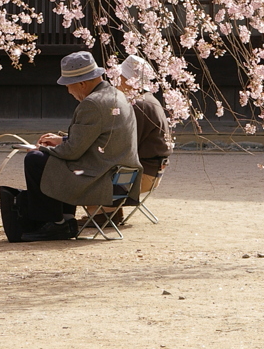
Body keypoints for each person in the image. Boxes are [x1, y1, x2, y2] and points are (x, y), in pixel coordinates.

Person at [20, 51, 140, 241]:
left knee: (36, 160)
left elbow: (73, 151)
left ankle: (53, 223)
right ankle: (66, 220)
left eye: (69, 86)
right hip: (121, 177)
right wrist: (62, 140)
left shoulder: (92, 103)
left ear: (82, 83)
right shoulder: (117, 95)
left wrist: (41, 149)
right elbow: (96, 137)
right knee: (57, 162)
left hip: (100, 178)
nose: (68, 92)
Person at [118, 54, 172, 193]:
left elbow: (125, 145)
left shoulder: (138, 104)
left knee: (84, 177)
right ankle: (106, 215)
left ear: (129, 80)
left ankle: (101, 215)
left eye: (120, 77)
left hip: (140, 173)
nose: (116, 81)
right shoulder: (146, 100)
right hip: (150, 170)